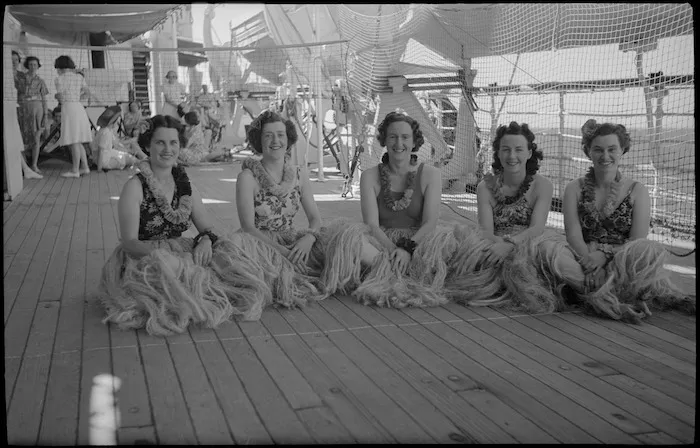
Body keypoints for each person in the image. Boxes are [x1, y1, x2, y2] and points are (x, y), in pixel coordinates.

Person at [98, 115, 265, 335]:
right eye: (160, 142)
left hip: (179, 248)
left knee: (233, 246)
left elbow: (206, 227)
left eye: (173, 143)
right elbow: (129, 243)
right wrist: (167, 256)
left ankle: (199, 284)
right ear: (148, 145)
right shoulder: (134, 188)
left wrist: (205, 240)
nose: (168, 149)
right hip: (146, 256)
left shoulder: (186, 186)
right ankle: (192, 289)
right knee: (172, 267)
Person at [318, 111, 470, 308]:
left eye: (405, 137)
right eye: (393, 137)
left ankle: (389, 272)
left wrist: (407, 249)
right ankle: (397, 270)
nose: (399, 143)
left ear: (414, 141)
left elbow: (430, 222)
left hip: (418, 242)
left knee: (452, 245)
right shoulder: (370, 176)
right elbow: (371, 224)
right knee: (347, 239)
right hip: (381, 243)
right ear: (384, 140)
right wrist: (394, 251)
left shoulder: (431, 175)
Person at [559, 119, 695, 322]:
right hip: (583, 257)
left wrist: (604, 257)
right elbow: (573, 235)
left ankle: (592, 292)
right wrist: (590, 263)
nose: (605, 156)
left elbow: (636, 241)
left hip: (621, 258)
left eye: (612, 149)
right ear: (588, 151)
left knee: (648, 251)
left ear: (623, 150)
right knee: (552, 253)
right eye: (598, 149)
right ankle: (616, 294)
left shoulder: (637, 191)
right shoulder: (573, 188)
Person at [447, 121, 567, 313]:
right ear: (498, 153)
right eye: (505, 150)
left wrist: (511, 245)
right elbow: (486, 230)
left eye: (519, 149)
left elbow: (537, 228)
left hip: (530, 242)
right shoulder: (484, 187)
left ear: (529, 153)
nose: (512, 156)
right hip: (494, 242)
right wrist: (500, 246)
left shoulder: (542, 185)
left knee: (553, 255)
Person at [228, 109, 327, 320]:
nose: (276, 140)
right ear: (259, 141)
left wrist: (309, 237)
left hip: (291, 237)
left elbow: (316, 219)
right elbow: (248, 227)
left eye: (280, 135)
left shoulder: (300, 174)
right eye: (268, 135)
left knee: (337, 248)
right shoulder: (247, 177)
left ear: (288, 139)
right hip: (259, 243)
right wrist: (283, 252)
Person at [54, 55, 94, 178]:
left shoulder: (59, 79)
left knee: (74, 140)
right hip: (78, 107)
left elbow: (60, 97)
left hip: (69, 108)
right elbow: (88, 93)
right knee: (78, 140)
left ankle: (75, 170)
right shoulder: (79, 77)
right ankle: (85, 167)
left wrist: (58, 97)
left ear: (59, 67)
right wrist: (77, 98)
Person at [10, 50, 42, 180]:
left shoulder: (22, 76)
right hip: (12, 109)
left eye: (16, 60)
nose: (13, 63)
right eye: (11, 60)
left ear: (19, 62)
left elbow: (26, 94)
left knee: (25, 137)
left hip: (21, 109)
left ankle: (27, 167)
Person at [16, 56, 50, 174]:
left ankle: (34, 165)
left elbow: (44, 99)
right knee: (22, 137)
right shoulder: (20, 78)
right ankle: (23, 164)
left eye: (35, 65)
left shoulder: (41, 81)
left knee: (36, 138)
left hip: (37, 110)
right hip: (23, 110)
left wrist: (45, 116)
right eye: (30, 64)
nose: (32, 67)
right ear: (27, 66)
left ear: (38, 66)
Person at [93, 105, 148, 171]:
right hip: (105, 161)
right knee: (130, 159)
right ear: (114, 120)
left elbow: (116, 144)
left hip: (107, 156)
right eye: (118, 118)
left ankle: (144, 160)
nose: (120, 121)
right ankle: (144, 162)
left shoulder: (107, 130)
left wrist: (129, 150)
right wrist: (99, 168)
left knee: (129, 155)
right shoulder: (106, 133)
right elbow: (101, 150)